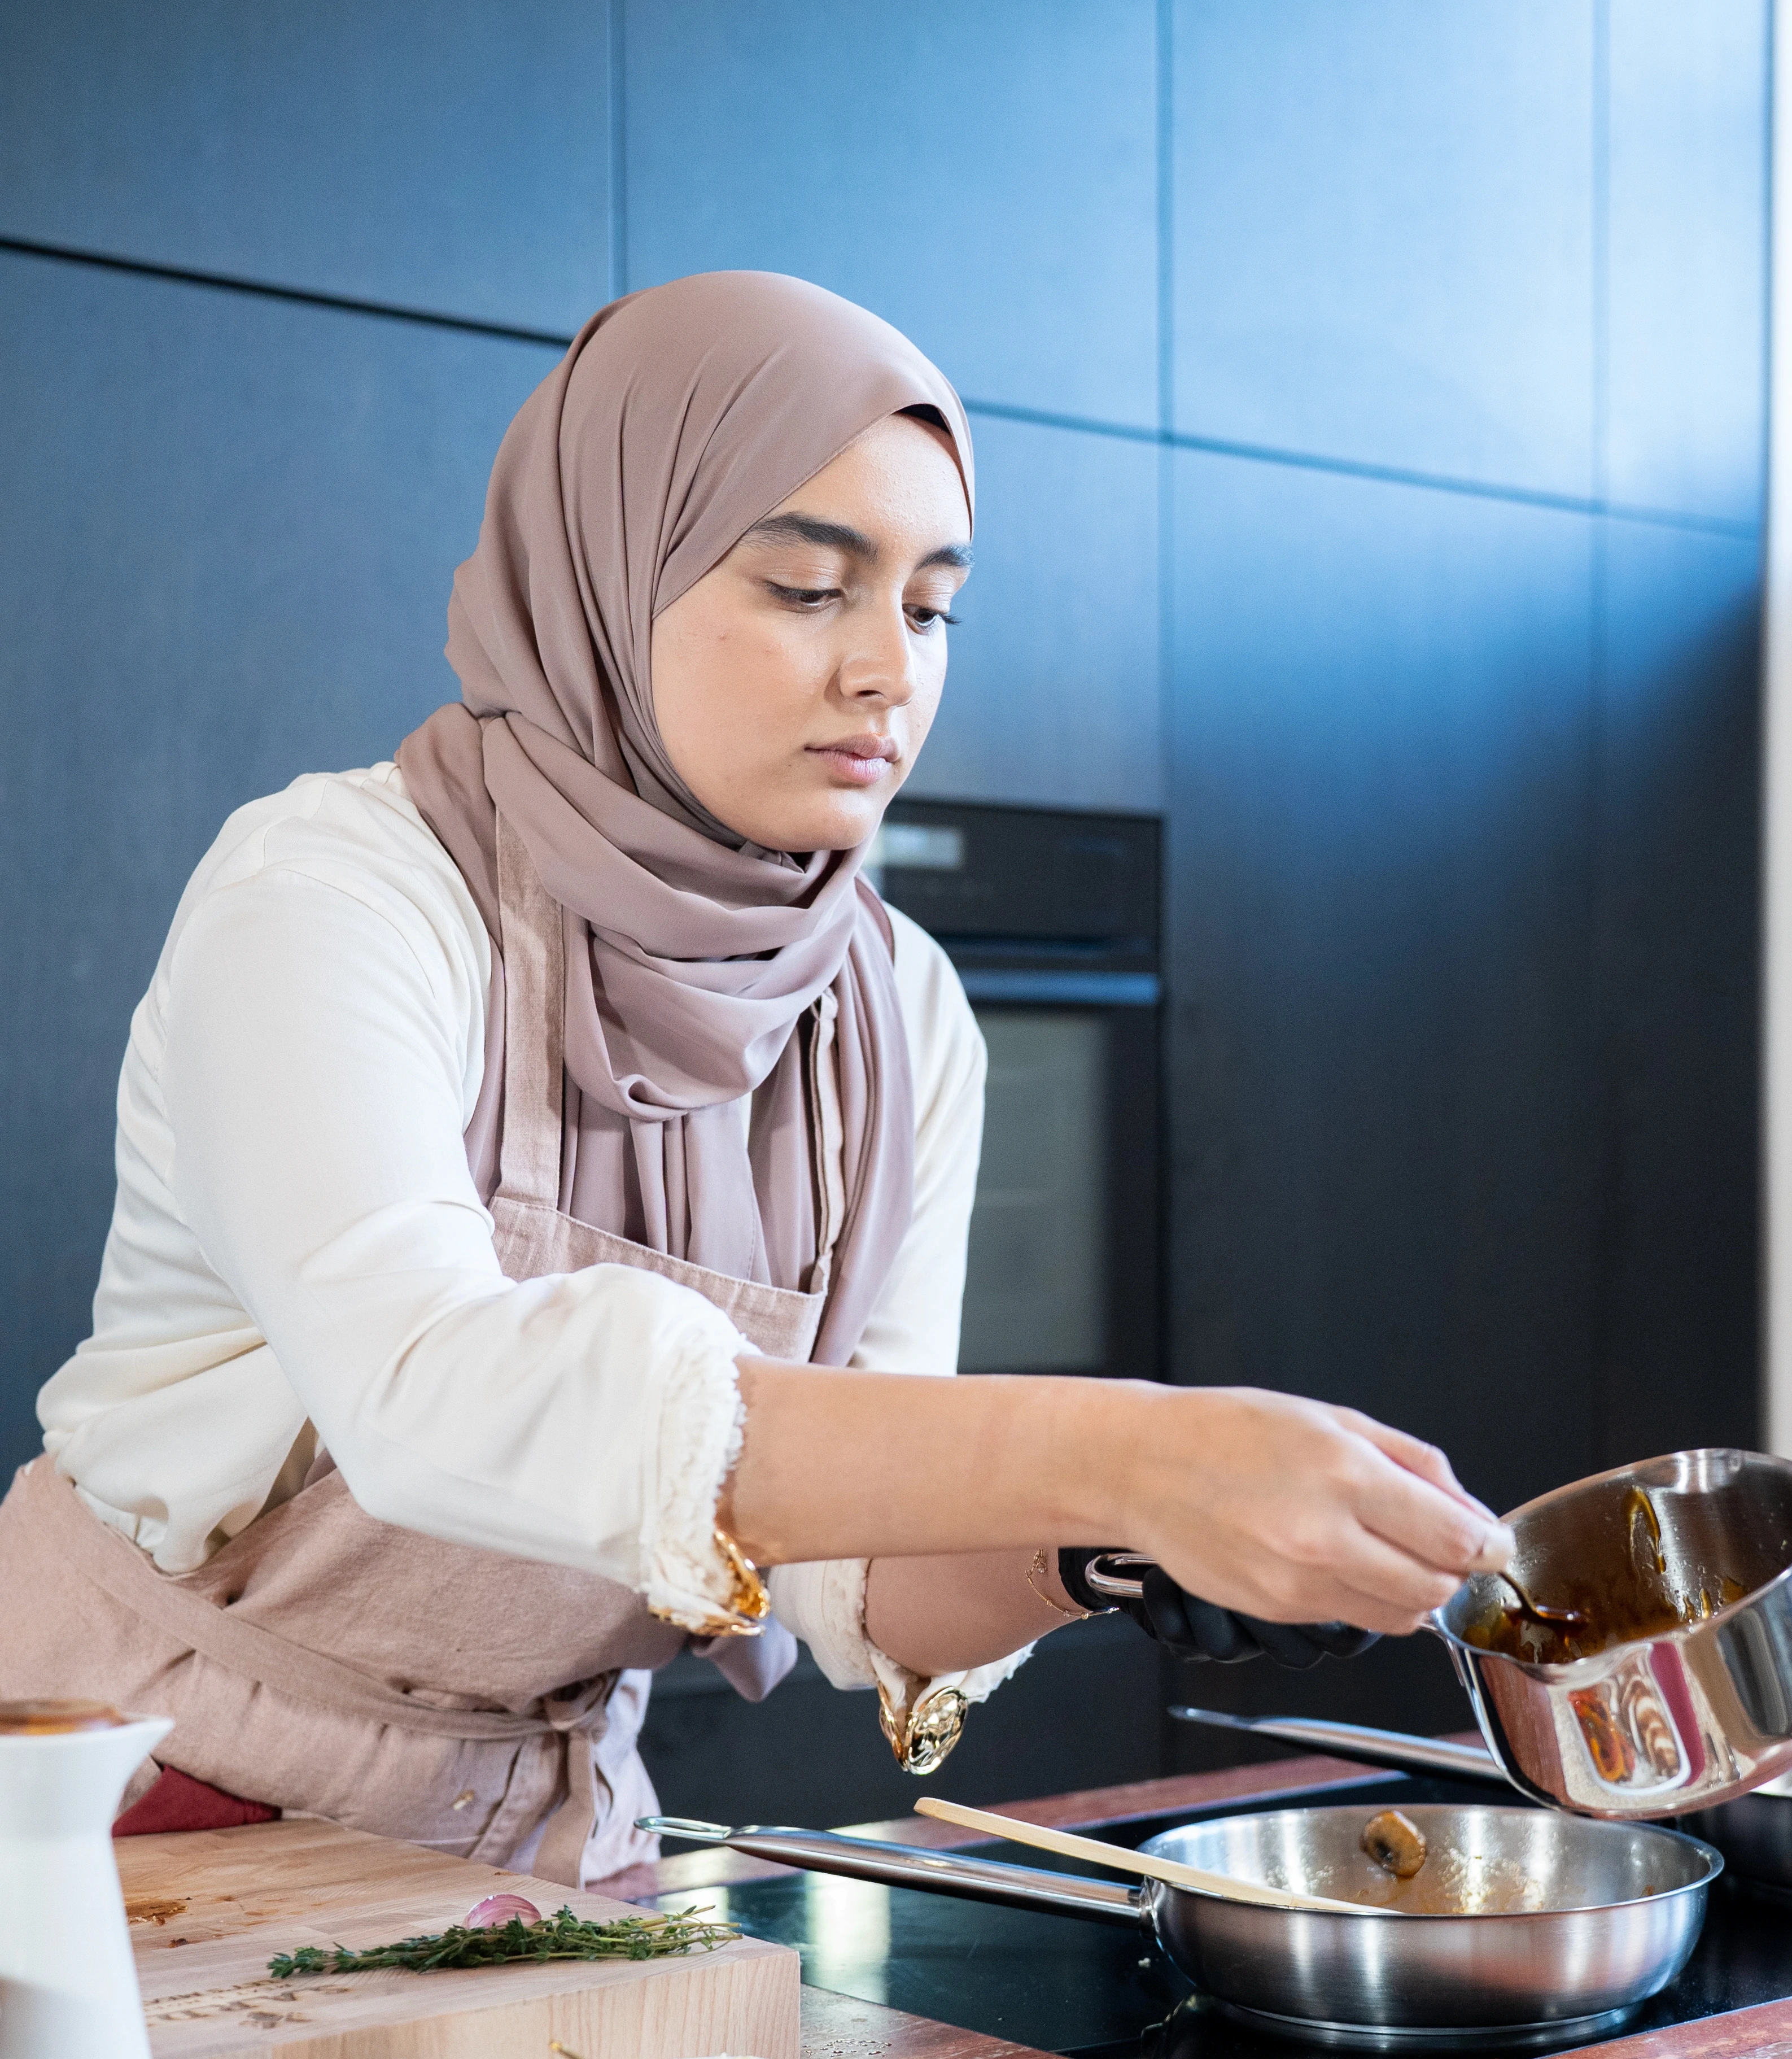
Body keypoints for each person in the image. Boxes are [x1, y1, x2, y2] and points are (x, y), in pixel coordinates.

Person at [0, 273, 1492, 1881]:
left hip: (534, 1834)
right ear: (604, 571)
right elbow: (435, 1396)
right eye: (805, 588)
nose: (887, 673)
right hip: (140, 1783)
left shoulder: (897, 1009)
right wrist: (1135, 1450)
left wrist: (1099, 1550)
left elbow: (852, 1575)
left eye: (928, 608)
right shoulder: (335, 894)